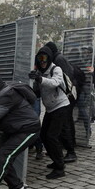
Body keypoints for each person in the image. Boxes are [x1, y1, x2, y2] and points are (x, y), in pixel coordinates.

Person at [29, 46, 70, 179]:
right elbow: (37, 92)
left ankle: (60, 167)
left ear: (49, 58)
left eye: (45, 58)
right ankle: (56, 160)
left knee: (52, 136)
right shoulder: (39, 72)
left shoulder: (55, 69)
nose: (42, 61)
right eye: (40, 58)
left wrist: (40, 79)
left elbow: (55, 83)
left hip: (61, 106)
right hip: (51, 108)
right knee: (44, 135)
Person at [45, 41, 78, 164]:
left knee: (65, 125)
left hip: (65, 97)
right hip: (66, 96)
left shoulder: (58, 60)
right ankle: (63, 149)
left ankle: (70, 151)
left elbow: (65, 77)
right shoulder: (58, 58)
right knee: (64, 125)